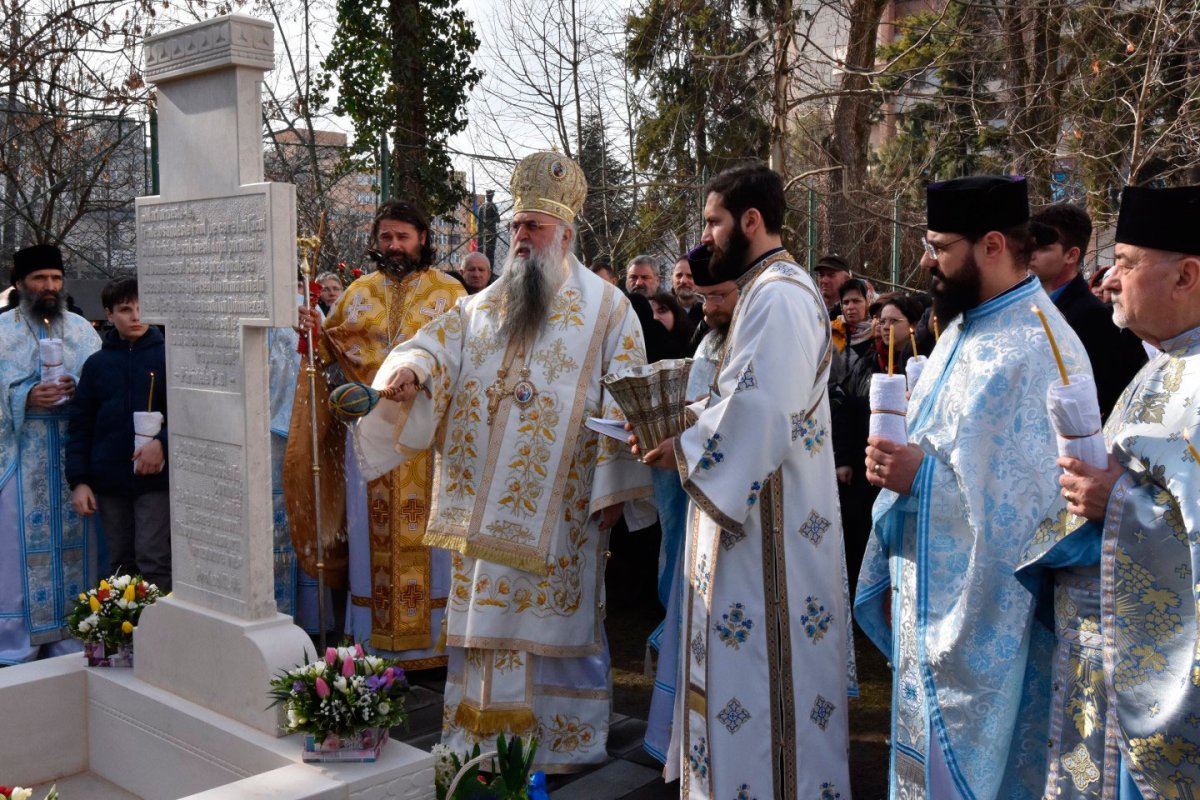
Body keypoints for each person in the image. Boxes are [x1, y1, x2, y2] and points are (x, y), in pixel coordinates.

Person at [356, 151, 652, 772]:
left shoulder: (609, 308)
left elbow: (626, 395)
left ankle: (563, 742)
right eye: (516, 225)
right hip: (481, 506)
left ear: (563, 233)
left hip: (563, 506)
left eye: (532, 227)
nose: (520, 236)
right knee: (487, 621)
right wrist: (410, 372)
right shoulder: (481, 306)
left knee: (557, 620)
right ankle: (482, 743)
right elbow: (432, 347)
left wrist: (613, 490)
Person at [854, 175, 1091, 797]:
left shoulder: (1040, 348)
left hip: (986, 632)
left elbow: (1039, 520)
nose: (926, 262)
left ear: (991, 245)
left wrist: (920, 479)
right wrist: (898, 466)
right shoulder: (963, 329)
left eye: (939, 247)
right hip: (926, 604)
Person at [634, 163, 851, 798]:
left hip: (770, 541)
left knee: (764, 692)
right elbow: (737, 398)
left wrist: (682, 448)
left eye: (713, 221)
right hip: (749, 528)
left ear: (751, 221)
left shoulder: (779, 294)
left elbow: (762, 412)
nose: (705, 236)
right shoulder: (762, 291)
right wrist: (684, 424)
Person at [1021, 185, 1200, 798]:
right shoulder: (1159, 365)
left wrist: (1117, 501)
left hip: (1156, 681)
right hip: (1102, 658)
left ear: (1186, 276)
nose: (1110, 280)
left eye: (1125, 262)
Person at [284, 200, 466, 665]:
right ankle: (375, 645)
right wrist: (315, 331)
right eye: (386, 237)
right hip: (369, 440)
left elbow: (467, 361)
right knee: (371, 542)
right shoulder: (358, 293)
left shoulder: (451, 293)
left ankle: (435, 647)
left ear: (423, 238)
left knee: (433, 545)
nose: (394, 245)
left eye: (403, 236)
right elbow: (329, 359)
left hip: (429, 443)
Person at [642, 271, 737, 767]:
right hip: (692, 489)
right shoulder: (708, 343)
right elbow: (695, 407)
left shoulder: (749, 343)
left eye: (718, 296)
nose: (707, 307)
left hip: (727, 499)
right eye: (704, 298)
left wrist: (681, 442)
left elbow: (735, 419)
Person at [0, 244, 102, 663]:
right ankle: (16, 639)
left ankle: (75, 634)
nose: (49, 286)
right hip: (18, 458)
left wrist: (81, 389)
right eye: (40, 278)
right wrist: (24, 397)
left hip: (73, 458)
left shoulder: (82, 331)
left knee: (82, 548)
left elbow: (102, 387)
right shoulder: (2, 331)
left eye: (56, 278)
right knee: (14, 551)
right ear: (20, 282)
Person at [66, 279, 170, 591]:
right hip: (111, 481)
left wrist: (162, 444)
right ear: (109, 314)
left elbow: (191, 415)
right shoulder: (97, 365)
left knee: (154, 557)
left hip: (156, 480)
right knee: (120, 564)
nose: (136, 316)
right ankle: (124, 623)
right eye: (125, 309)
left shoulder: (169, 357)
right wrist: (79, 481)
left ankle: (159, 622)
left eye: (142, 308)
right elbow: (81, 425)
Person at [1030, 203, 1146, 419]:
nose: (1031, 255)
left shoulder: (1091, 316)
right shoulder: (1031, 306)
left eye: (1043, 248)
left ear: (1071, 255)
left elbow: (1104, 393)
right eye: (1030, 246)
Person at [649, 290, 696, 359]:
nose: (655, 317)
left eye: (662, 311)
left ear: (675, 315)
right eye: (649, 313)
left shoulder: (695, 345)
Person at [671, 254, 704, 325]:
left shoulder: (711, 312)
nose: (683, 281)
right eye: (679, 275)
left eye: (690, 276)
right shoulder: (662, 310)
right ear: (672, 280)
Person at [814, 253, 851, 317]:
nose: (824, 280)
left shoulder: (852, 313)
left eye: (831, 275)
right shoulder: (811, 306)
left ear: (846, 280)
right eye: (821, 275)